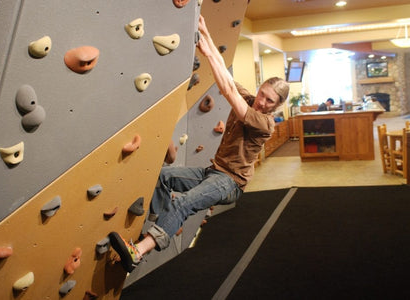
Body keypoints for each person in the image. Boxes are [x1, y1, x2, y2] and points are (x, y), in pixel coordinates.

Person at [108, 15, 290, 273]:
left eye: (269, 101)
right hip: (213, 172)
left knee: (182, 203)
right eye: (262, 94)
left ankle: (137, 252)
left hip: (231, 182)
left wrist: (207, 47)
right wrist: (205, 34)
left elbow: (228, 89)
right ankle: (155, 228)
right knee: (161, 177)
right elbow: (223, 76)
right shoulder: (251, 100)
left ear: (277, 106)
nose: (261, 102)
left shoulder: (264, 123)